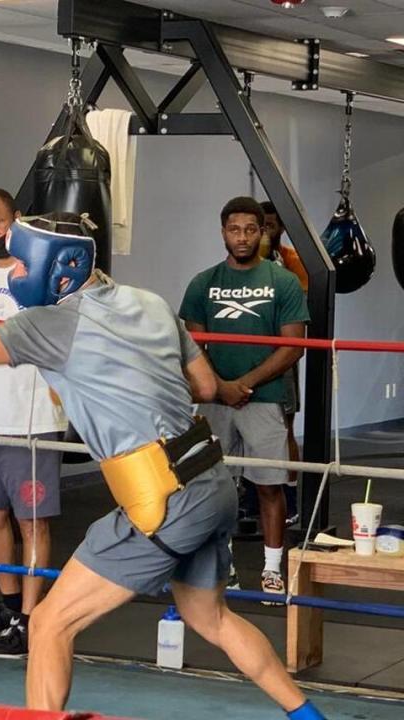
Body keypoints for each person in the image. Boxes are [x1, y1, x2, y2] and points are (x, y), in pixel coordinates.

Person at [0, 211, 326, 719]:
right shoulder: (151, 303)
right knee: (210, 617)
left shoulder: (52, 323)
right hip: (211, 479)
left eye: (22, 262)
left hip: (160, 498)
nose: (16, 272)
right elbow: (206, 386)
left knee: (48, 624)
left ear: (59, 264)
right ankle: (306, 712)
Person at [180, 197, 308, 602]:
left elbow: (294, 347)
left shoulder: (282, 281)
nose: (242, 237)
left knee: (270, 486)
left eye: (251, 229)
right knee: (217, 487)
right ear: (223, 232)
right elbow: (192, 347)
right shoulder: (202, 283)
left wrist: (244, 384)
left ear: (262, 232)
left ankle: (272, 570)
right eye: (234, 229)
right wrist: (219, 386)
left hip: (264, 400)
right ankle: (225, 564)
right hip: (215, 401)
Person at [0, 188, 66, 659]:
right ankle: (9, 608)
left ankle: (32, 619)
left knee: (32, 523)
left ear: (15, 219)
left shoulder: (43, 274)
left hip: (32, 418)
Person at [261, 201, 307, 526]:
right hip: (248, 359)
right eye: (260, 225)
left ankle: (290, 497)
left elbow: (297, 304)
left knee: (284, 427)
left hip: (281, 357)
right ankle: (248, 497)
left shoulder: (292, 263)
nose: (265, 232)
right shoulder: (241, 265)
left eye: (271, 226)